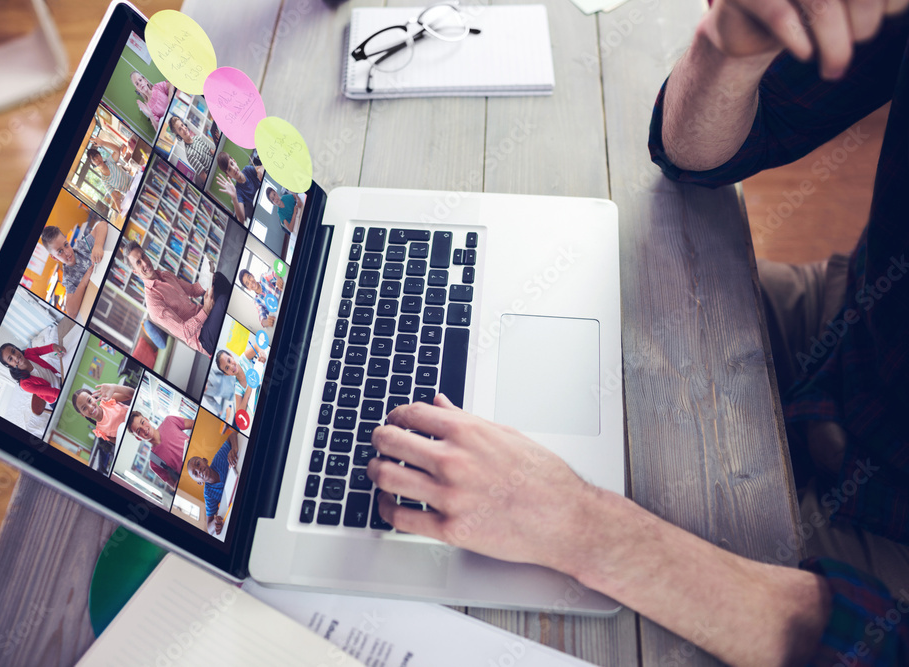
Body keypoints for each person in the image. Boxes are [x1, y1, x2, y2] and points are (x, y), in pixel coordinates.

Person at [367, 2, 909, 665]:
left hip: (884, 553)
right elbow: (696, 151)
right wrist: (733, 47)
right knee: (523, 295)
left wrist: (583, 526)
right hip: (849, 333)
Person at [122, 240, 231, 356]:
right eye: (138, 263)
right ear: (135, 271)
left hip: (201, 313)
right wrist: (206, 310)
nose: (145, 263)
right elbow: (184, 332)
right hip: (201, 337)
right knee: (223, 301)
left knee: (218, 278)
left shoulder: (165, 274)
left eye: (143, 256)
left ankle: (229, 319)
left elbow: (193, 290)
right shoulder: (153, 303)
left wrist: (208, 278)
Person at [40, 219, 108, 317]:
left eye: (66, 245)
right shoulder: (68, 277)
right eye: (60, 252)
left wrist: (98, 245)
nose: (67, 252)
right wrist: (84, 281)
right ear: (54, 257)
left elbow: (102, 225)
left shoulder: (81, 246)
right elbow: (71, 312)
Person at [186, 433, 240, 537]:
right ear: (199, 482)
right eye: (195, 473)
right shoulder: (208, 493)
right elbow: (209, 528)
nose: (199, 469)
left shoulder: (219, 459)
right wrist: (215, 524)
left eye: (198, 464)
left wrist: (234, 448)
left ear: (205, 461)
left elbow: (232, 435)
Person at [129, 411, 195, 488]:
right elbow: (175, 485)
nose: (144, 429)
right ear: (138, 438)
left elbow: (193, 424)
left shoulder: (169, 420)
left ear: (146, 419)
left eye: (143, 422)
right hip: (194, 478)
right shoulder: (154, 463)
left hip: (203, 451)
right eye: (139, 431)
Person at [0, 342, 65, 404]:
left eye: (13, 351)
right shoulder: (25, 384)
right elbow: (54, 392)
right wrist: (64, 394)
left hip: (61, 380)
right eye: (10, 359)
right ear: (9, 365)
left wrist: (56, 347)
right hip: (56, 398)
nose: (15, 356)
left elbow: (47, 348)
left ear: (16, 348)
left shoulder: (29, 352)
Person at [214, 343, 266, 415]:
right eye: (227, 368)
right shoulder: (238, 386)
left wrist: (261, 352)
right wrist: (248, 391)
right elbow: (239, 413)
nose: (231, 367)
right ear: (226, 374)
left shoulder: (243, 359)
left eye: (229, 361)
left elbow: (256, 346)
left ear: (231, 356)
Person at [85, 140, 134, 213]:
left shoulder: (110, 161)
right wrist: (120, 210)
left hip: (134, 182)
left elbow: (117, 150)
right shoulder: (104, 180)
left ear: (100, 156)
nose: (97, 160)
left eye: (97, 156)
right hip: (130, 195)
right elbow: (116, 198)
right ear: (93, 164)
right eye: (94, 160)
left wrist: (103, 143)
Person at [214, 152, 262, 223]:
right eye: (229, 170)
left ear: (234, 161)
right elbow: (241, 219)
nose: (233, 169)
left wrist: (261, 170)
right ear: (228, 176)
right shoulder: (238, 191)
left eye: (232, 163)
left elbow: (261, 169)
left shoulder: (247, 169)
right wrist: (234, 197)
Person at [168, 114, 215, 185]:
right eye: (180, 129)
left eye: (182, 125)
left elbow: (211, 152)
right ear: (178, 135)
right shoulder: (189, 154)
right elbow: (205, 178)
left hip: (217, 165)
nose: (184, 129)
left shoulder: (197, 138)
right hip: (214, 177)